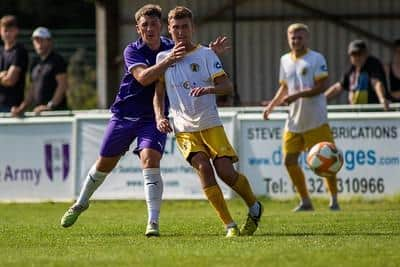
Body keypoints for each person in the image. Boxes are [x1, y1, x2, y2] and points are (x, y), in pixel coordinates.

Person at [60, 4, 229, 237]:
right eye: (144, 25)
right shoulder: (133, 51)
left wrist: (211, 52)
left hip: (154, 117)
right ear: (138, 29)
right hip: (125, 115)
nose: (150, 28)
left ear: (161, 26)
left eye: (154, 24)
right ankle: (81, 203)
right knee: (104, 164)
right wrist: (169, 60)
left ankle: (153, 222)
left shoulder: (171, 46)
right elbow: (143, 78)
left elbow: (194, 59)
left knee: (150, 159)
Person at [154, 6, 263, 238]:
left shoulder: (206, 55)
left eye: (185, 27)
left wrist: (208, 90)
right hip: (184, 129)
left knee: (225, 172)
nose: (181, 32)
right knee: (203, 168)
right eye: (176, 28)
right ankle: (230, 225)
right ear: (169, 30)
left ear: (192, 28)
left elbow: (228, 87)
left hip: (210, 123)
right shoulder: (162, 58)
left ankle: (254, 206)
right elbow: (159, 93)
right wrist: (160, 116)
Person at [262, 23, 339, 211]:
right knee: (289, 161)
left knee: (328, 160)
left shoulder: (316, 58)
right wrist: (271, 106)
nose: (296, 41)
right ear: (288, 39)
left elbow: (321, 86)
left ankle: (334, 200)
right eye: (292, 38)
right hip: (294, 121)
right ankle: (305, 201)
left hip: (316, 120)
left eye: (299, 37)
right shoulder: (284, 60)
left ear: (307, 38)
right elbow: (285, 87)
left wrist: (297, 96)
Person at [11, 27, 68, 116]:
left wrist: (50, 106)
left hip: (57, 113)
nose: (39, 44)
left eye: (41, 40)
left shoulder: (57, 60)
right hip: (39, 113)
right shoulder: (35, 62)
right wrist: (21, 108)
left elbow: (62, 85)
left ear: (49, 41)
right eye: (36, 41)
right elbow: (32, 89)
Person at [325, 40, 390, 110]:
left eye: (359, 54)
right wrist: (321, 99)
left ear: (365, 53)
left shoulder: (373, 64)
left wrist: (382, 98)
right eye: (353, 54)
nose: (356, 57)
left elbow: (376, 83)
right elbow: (338, 87)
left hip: (374, 112)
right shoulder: (350, 68)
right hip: (357, 113)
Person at [0, 15, 28, 112]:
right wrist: (1, 75)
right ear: (0, 31)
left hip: (12, 107)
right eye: (5, 30)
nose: (7, 34)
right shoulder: (0, 52)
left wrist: (4, 77)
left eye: (10, 30)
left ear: (16, 31)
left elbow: (10, 80)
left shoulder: (19, 51)